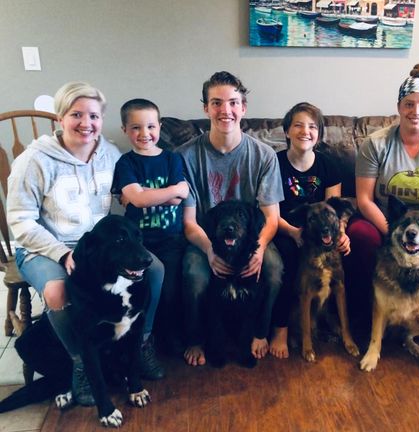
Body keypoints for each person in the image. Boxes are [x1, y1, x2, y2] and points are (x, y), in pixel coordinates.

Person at [7, 82, 165, 406]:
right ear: (60, 118)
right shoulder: (34, 160)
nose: (86, 123)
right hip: (43, 246)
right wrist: (61, 253)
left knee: (156, 270)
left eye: (93, 116)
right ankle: (79, 360)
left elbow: (125, 198)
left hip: (97, 245)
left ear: (101, 119)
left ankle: (141, 342)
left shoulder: (111, 154)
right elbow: (20, 221)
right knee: (57, 290)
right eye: (76, 114)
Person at [345, 63, 419, 329]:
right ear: (399, 107)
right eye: (409, 104)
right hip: (384, 216)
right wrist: (394, 233)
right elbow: (364, 199)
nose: (416, 111)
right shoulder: (375, 144)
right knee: (361, 238)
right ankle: (363, 315)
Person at [177, 71, 284, 366]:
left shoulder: (264, 156)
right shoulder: (185, 157)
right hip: (205, 238)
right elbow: (189, 222)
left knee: (274, 269)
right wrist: (209, 251)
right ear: (206, 108)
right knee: (195, 275)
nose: (226, 110)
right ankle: (195, 339)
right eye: (217, 103)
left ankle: (260, 333)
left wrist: (259, 250)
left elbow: (271, 218)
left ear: (243, 108)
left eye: (233, 102)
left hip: (250, 239)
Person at [269, 102, 350, 359]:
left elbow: (335, 210)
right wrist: (294, 232)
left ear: (319, 133)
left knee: (343, 256)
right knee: (288, 258)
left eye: (312, 127)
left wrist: (342, 233)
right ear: (287, 131)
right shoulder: (274, 163)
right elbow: (270, 211)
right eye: (298, 125)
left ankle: (333, 321)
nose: (306, 131)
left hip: (321, 231)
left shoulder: (328, 165)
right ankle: (281, 329)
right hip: (283, 228)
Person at [111, 98, 189, 355]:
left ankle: (168, 335)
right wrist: (171, 190)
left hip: (171, 238)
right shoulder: (126, 163)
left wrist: (144, 193)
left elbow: (179, 198)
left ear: (160, 127)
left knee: (171, 290)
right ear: (124, 130)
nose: (144, 133)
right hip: (139, 242)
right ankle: (142, 337)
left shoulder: (172, 159)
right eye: (136, 128)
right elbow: (140, 199)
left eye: (150, 126)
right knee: (140, 290)